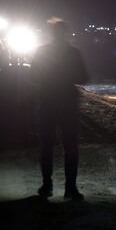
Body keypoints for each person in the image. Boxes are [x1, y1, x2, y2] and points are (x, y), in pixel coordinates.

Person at [31, 18, 88, 200]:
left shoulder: (41, 51)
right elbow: (84, 77)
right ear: (65, 33)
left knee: (46, 146)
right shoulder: (73, 53)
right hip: (68, 103)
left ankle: (46, 186)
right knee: (71, 147)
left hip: (47, 102)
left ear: (51, 33)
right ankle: (70, 189)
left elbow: (33, 76)